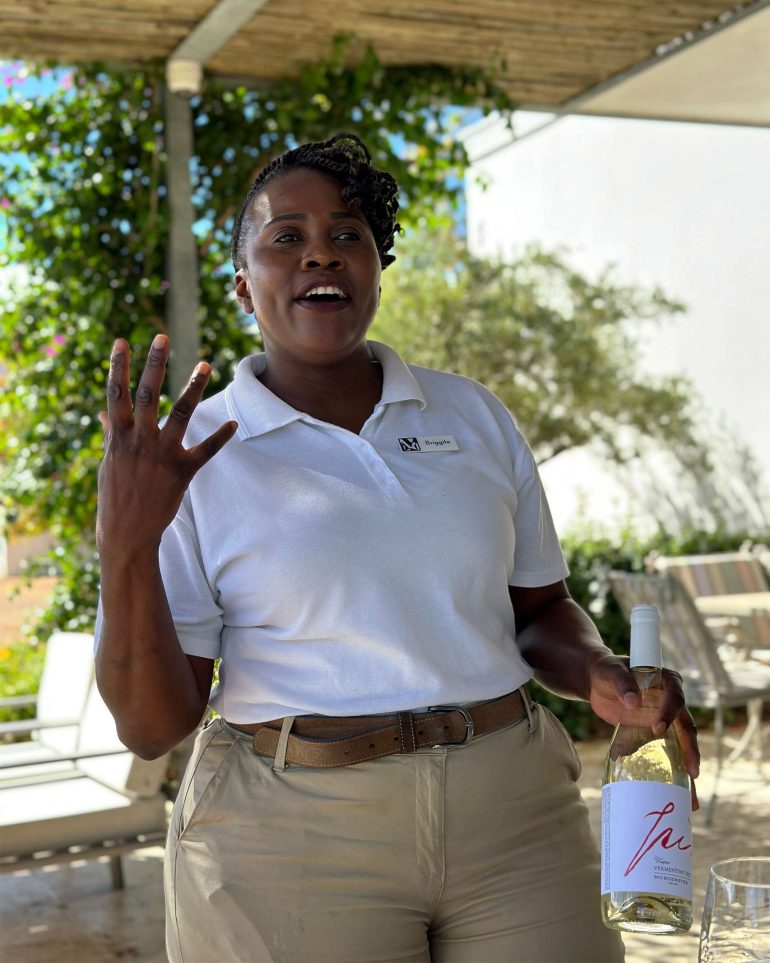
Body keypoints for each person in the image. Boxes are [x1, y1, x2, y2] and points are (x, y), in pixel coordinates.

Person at [95, 133, 700, 963]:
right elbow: (151, 725)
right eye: (286, 236)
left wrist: (599, 671)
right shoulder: (189, 451)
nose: (321, 253)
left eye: (348, 234)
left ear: (377, 270)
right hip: (291, 831)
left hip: (513, 810)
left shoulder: (473, 414)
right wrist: (126, 544)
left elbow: (539, 609)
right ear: (243, 283)